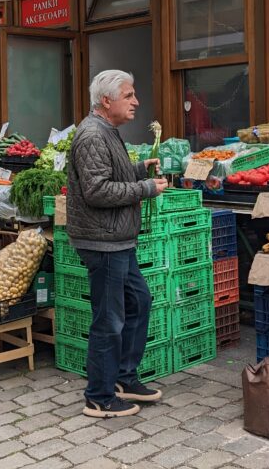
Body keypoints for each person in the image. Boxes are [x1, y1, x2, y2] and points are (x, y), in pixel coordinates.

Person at [67, 70, 169, 418]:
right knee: (109, 320)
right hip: (104, 241)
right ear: (106, 100)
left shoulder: (107, 132)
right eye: (129, 95)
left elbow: (108, 176)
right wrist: (146, 188)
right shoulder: (93, 135)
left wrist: (139, 170)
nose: (136, 101)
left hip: (117, 239)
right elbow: (97, 191)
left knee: (139, 301)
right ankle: (99, 396)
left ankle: (124, 377)